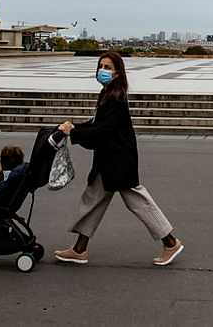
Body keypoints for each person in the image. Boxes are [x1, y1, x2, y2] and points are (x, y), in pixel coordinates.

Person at [51, 50, 184, 266]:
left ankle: (170, 243)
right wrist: (74, 127)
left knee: (138, 202)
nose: (102, 71)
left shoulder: (115, 98)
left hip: (117, 162)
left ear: (117, 73)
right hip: (109, 160)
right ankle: (79, 249)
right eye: (100, 67)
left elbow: (101, 131)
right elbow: (96, 124)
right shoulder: (108, 94)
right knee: (92, 199)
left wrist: (73, 133)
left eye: (107, 68)